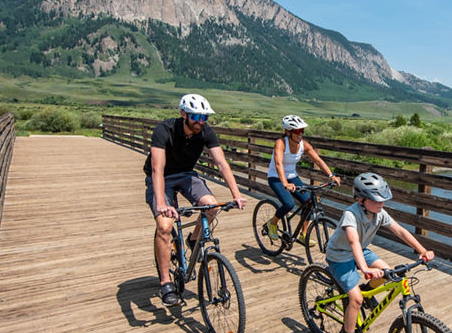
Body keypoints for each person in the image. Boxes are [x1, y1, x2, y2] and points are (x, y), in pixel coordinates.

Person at [144, 93, 247, 307]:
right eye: (196, 117)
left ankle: (194, 240)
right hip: (163, 177)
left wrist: (236, 194)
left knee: (211, 206)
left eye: (204, 117)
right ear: (184, 114)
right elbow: (157, 168)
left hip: (187, 175)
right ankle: (165, 283)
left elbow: (221, 164)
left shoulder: (206, 132)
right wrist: (163, 204)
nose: (200, 122)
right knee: (164, 226)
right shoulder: (165, 130)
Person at [325, 172, 434, 333]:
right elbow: (353, 241)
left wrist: (422, 250)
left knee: (390, 274)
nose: (381, 204)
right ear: (360, 199)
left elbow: (400, 230)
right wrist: (365, 268)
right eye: (376, 201)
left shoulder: (379, 213)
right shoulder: (351, 214)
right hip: (340, 255)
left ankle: (367, 291)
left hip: (361, 251)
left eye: (383, 200)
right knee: (355, 299)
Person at [264, 115, 341, 244]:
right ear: (288, 132)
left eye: (302, 131)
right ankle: (271, 224)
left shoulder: (304, 145)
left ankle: (303, 234)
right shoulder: (281, 143)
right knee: (289, 204)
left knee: (309, 203)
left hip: (292, 177)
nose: (301, 134)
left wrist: (331, 176)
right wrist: (285, 183)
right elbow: (278, 164)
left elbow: (318, 160)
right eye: (297, 131)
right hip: (276, 178)